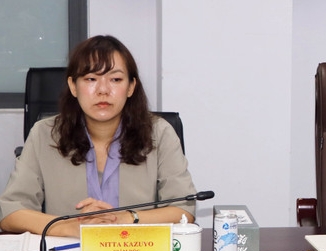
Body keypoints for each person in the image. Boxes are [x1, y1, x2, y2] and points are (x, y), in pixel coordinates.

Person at [0, 35, 197, 236]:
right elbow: (10, 213)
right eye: (91, 79)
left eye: (115, 79)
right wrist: (70, 227)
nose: (103, 90)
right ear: (73, 86)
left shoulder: (160, 134)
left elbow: (183, 210)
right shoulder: (45, 134)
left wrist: (126, 219)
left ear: (130, 87)